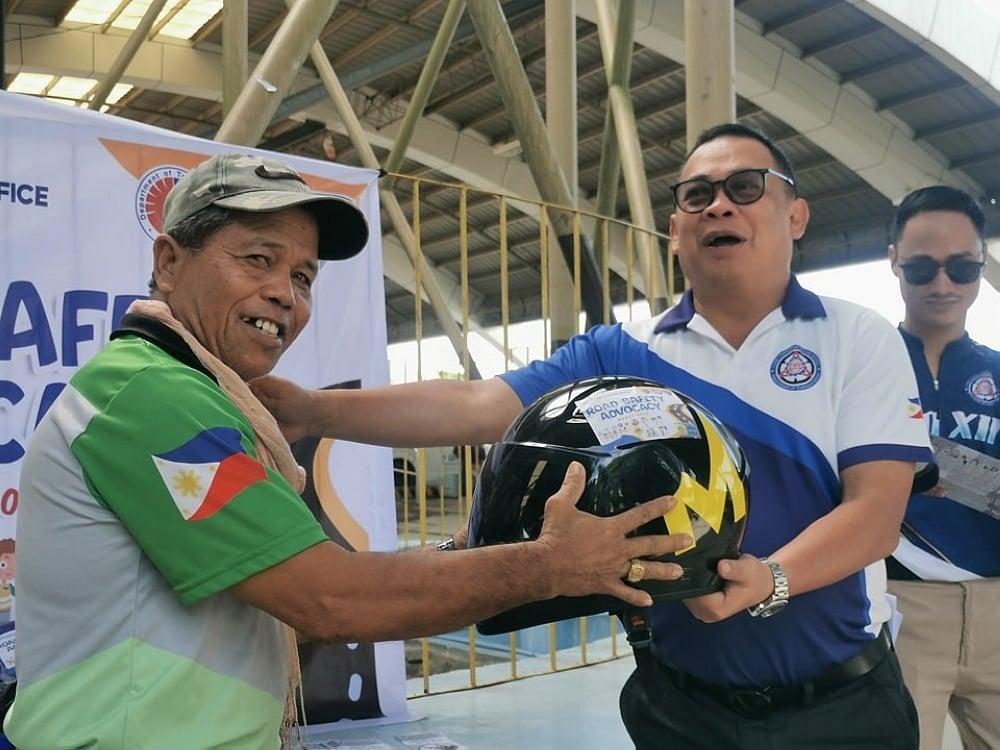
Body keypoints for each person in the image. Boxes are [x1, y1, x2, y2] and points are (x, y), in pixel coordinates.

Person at [252, 123, 935, 749]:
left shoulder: (856, 337)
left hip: (843, 708)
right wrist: (316, 411)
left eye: (745, 188)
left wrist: (772, 581)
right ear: (674, 230)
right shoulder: (622, 350)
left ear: (795, 215)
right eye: (697, 195)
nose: (719, 206)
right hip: (680, 710)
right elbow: (480, 403)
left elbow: (877, 513)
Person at [3, 152, 693, 750]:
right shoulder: (150, 396)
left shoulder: (195, 398)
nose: (284, 292)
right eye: (257, 258)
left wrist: (461, 563)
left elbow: (272, 600)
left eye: (303, 277)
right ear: (169, 262)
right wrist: (550, 567)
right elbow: (328, 599)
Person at [886, 185, 1000, 750]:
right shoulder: (861, 369)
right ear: (893, 262)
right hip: (899, 609)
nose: (942, 285)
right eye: (922, 268)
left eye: (962, 268)